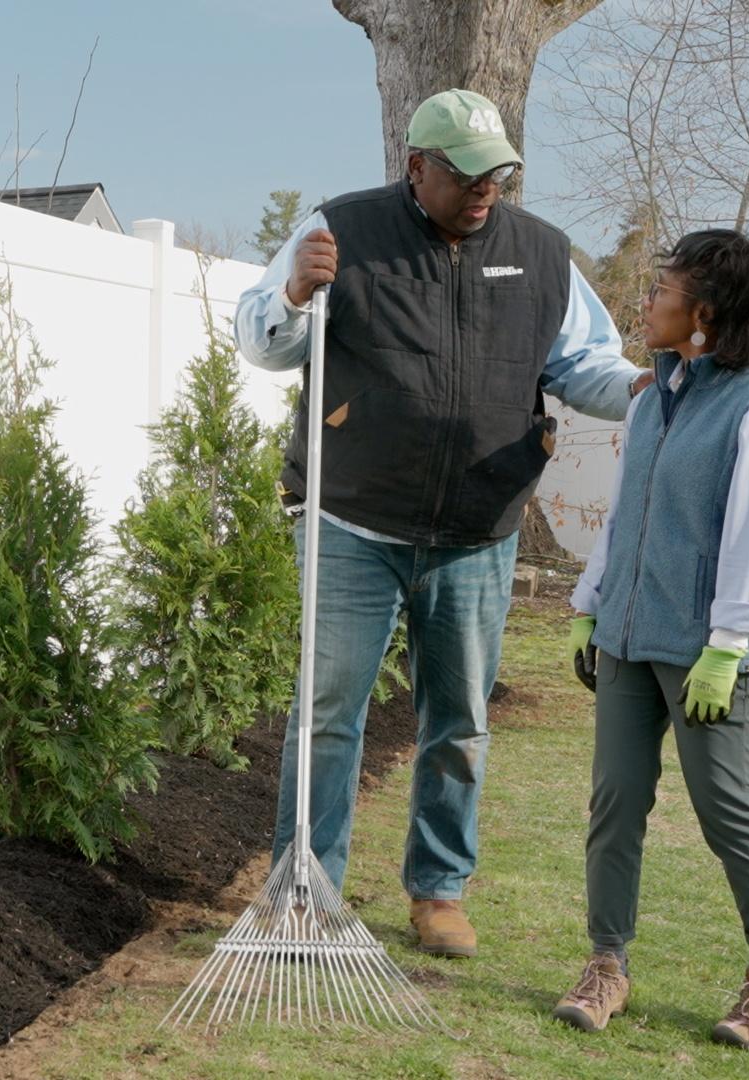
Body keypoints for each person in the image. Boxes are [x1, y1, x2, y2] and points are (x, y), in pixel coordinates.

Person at [234, 88, 652, 959]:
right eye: (465, 175)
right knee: (328, 716)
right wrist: (299, 295)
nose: (485, 190)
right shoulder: (339, 230)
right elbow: (263, 342)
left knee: (458, 720)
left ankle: (439, 890)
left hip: (476, 530)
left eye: (499, 172)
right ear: (416, 167)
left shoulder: (541, 253)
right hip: (354, 520)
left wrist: (646, 390)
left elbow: (584, 366)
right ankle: (305, 892)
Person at [553, 229, 749, 1050]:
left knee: (728, 812)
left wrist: (730, 645)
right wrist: (592, 601)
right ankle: (607, 965)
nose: (647, 299)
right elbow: (628, 512)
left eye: (662, 289)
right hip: (626, 638)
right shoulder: (648, 395)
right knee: (614, 806)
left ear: (702, 313)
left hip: (707, 655)